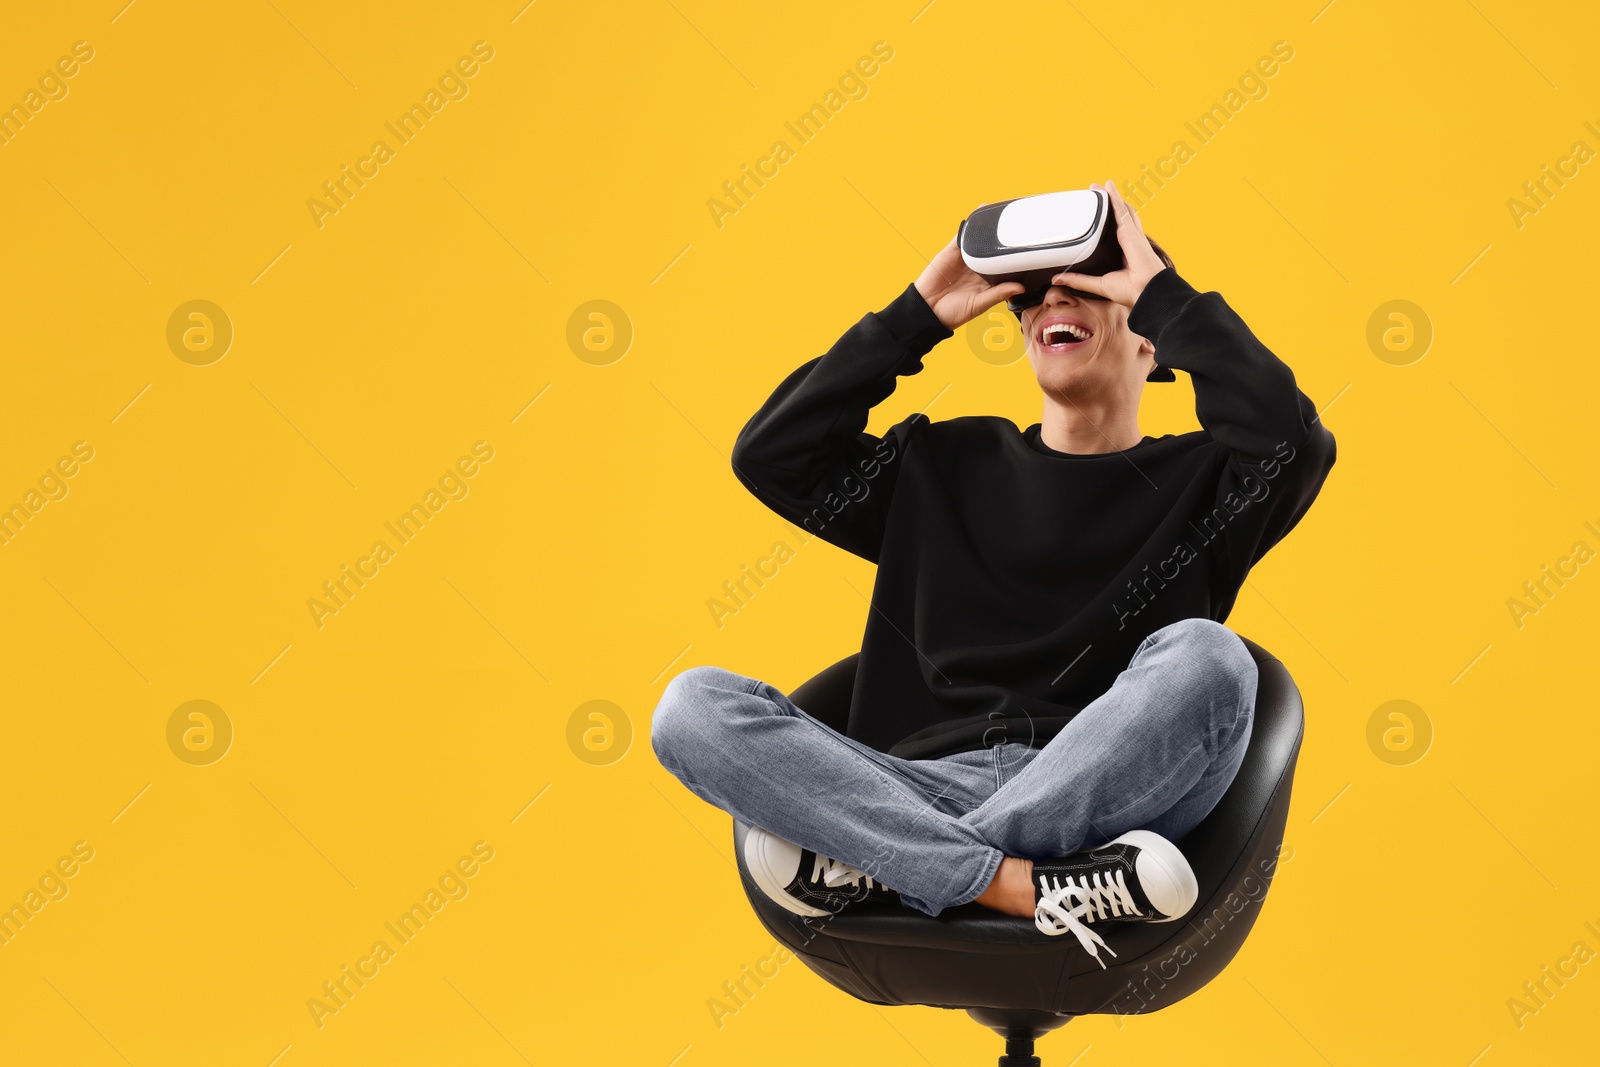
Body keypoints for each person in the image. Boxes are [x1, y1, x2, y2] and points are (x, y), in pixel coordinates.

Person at [651, 180, 1335, 967]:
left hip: (1102, 790)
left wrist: (1166, 296)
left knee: (1214, 660)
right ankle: (1012, 882)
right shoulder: (941, 463)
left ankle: (891, 866)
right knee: (691, 706)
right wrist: (916, 315)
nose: (1053, 303)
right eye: (1034, 297)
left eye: (1087, 286)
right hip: (906, 787)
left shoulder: (1207, 482)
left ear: (1153, 343)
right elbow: (772, 456)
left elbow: (1297, 442)